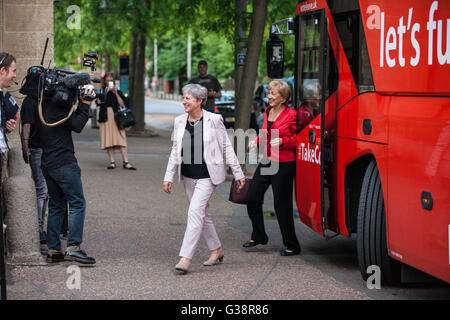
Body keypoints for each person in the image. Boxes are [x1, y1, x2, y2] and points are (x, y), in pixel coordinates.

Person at [163, 84, 246, 274]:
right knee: (203, 215)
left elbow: (226, 147)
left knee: (194, 213)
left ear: (199, 101)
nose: (184, 101)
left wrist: (238, 173)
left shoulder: (214, 120)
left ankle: (185, 258)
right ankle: (216, 249)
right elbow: (176, 151)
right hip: (189, 176)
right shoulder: (179, 121)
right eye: (183, 98)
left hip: (208, 176)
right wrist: (168, 176)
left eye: (188, 98)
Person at [37, 84, 96, 264]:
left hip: (47, 162)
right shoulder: (60, 108)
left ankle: (54, 250)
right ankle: (73, 248)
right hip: (64, 163)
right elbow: (77, 125)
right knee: (77, 202)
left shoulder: (43, 106)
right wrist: (85, 103)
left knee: (56, 205)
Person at [244, 79, 301, 256]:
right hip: (268, 160)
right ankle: (259, 235)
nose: (269, 96)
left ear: (283, 98)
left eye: (273, 94)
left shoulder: (292, 115)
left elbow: (302, 139)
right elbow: (265, 134)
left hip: (284, 163)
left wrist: (285, 141)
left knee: (281, 205)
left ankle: (292, 245)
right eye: (268, 93)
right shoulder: (268, 111)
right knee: (252, 197)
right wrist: (256, 141)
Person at [20, 94, 49, 244]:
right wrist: (25, 149)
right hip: (37, 150)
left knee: (45, 191)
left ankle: (40, 228)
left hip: (44, 149)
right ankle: (37, 229)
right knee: (42, 189)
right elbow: (26, 126)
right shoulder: (30, 101)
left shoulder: (41, 99)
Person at [97, 72, 136, 170]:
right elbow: (98, 102)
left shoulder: (118, 91)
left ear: (113, 81)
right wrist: (106, 92)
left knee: (121, 139)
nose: (109, 82)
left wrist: (116, 94)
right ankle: (112, 162)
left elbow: (123, 105)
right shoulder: (101, 91)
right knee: (109, 140)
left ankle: (126, 162)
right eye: (107, 80)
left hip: (117, 118)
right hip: (105, 118)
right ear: (104, 81)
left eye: (111, 80)